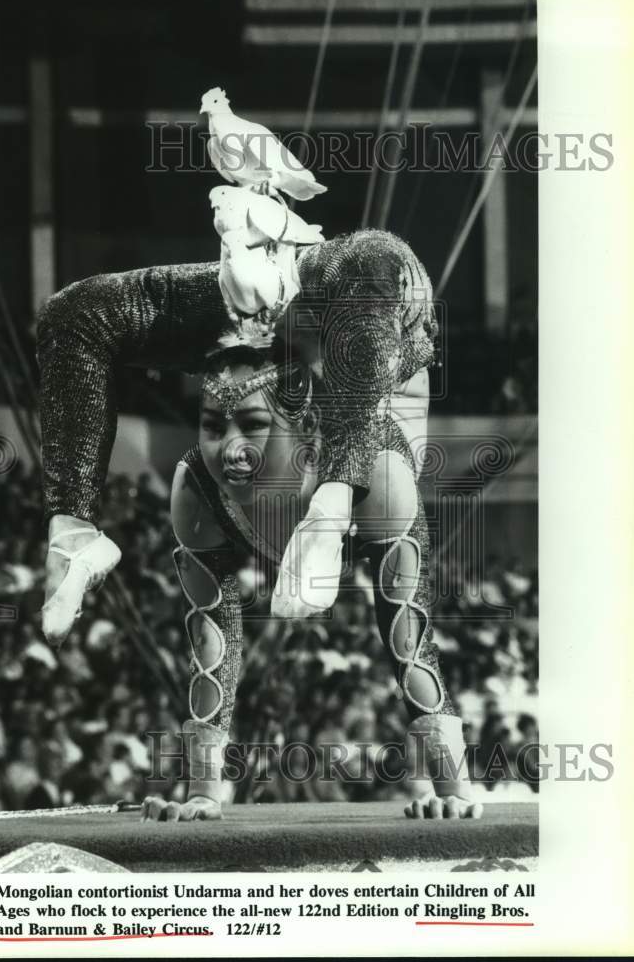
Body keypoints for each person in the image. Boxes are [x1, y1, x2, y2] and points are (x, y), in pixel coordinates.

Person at [35, 226, 482, 821]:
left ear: (303, 431)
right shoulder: (197, 490)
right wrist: (202, 791)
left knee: (372, 260)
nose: (229, 450)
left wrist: (452, 791)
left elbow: (409, 635)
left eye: (251, 425)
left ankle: (330, 507)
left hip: (376, 378)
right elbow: (211, 641)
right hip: (293, 331)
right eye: (214, 426)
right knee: (74, 315)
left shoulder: (385, 477)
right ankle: (72, 532)